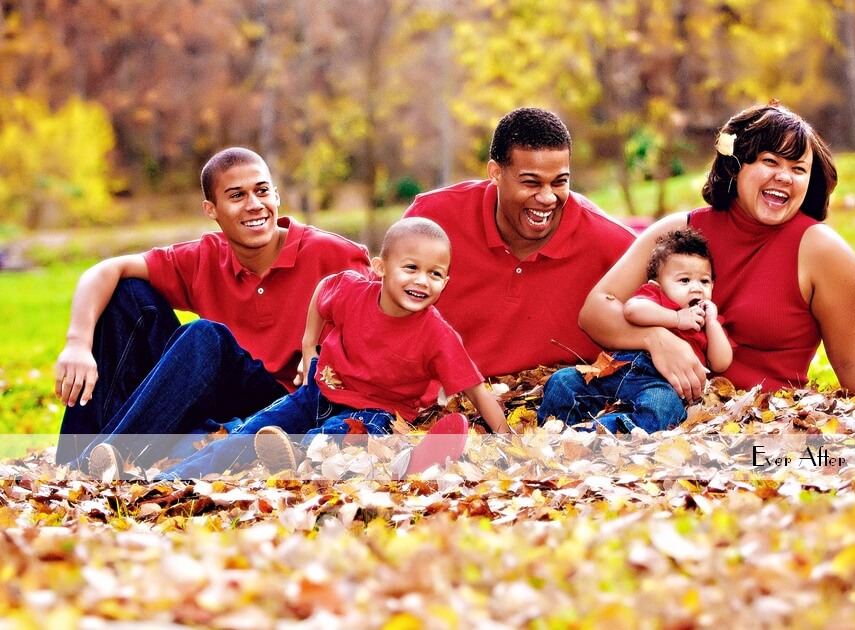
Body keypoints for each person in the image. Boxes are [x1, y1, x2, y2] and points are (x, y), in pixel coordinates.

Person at [55, 147, 371, 473]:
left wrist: (327, 357)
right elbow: (105, 270)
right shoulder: (206, 257)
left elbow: (380, 321)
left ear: (276, 195)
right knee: (127, 294)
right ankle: (73, 458)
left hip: (289, 402)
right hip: (218, 400)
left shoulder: (332, 253)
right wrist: (77, 343)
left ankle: (98, 461)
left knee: (205, 335)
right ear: (211, 209)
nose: (254, 204)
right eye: (237, 196)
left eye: (262, 191)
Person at [145, 217, 510, 481]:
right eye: (411, 268)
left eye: (434, 274)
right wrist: (309, 346)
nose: (421, 281)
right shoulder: (352, 291)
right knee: (247, 435)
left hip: (376, 412)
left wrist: (510, 442)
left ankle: (317, 456)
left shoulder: (438, 335)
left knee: (343, 434)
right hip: (316, 393)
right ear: (381, 268)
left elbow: (476, 390)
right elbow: (323, 293)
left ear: (446, 282)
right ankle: (168, 480)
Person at [578, 101, 855, 397]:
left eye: (798, 168)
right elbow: (596, 310)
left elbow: (851, 364)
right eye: (770, 161)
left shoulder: (824, 252)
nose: (784, 176)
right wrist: (655, 339)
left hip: (762, 424)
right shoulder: (679, 231)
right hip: (659, 405)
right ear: (735, 165)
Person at [403, 107, 635, 380]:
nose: (548, 198)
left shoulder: (611, 242)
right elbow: (384, 305)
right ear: (496, 173)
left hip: (559, 402)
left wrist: (660, 340)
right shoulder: (432, 218)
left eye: (559, 182)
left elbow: (671, 300)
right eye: (531, 183)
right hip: (439, 399)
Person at [537, 228, 732, 432]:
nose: (696, 288)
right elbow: (633, 310)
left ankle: (594, 434)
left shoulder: (706, 320)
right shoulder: (655, 297)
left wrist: (712, 323)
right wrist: (676, 318)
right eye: (684, 280)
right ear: (658, 284)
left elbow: (721, 362)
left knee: (662, 407)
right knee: (563, 381)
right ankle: (555, 429)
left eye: (704, 281)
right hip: (618, 368)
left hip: (661, 385)